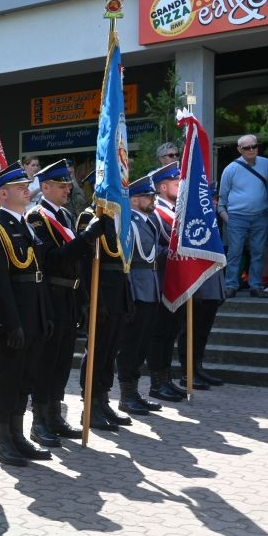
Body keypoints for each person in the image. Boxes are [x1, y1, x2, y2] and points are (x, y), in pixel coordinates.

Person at [0, 164, 53, 467]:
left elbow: (39, 275)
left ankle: (18, 435)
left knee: (26, 378)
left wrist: (45, 314)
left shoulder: (26, 225)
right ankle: (2, 439)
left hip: (33, 315)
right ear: (3, 194)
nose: (26, 190)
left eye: (25, 185)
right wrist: (12, 324)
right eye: (20, 187)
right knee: (8, 379)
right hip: (11, 320)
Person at [26, 160, 101, 446]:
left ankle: (54, 415)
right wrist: (87, 237)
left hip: (69, 296)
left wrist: (82, 300)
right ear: (45, 187)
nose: (67, 190)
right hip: (51, 296)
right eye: (61, 186)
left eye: (68, 185)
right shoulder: (37, 218)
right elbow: (53, 259)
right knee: (46, 361)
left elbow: (77, 263)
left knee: (62, 361)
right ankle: (39, 420)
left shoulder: (66, 216)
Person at [76, 193, 132, 432]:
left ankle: (103, 400)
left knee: (110, 351)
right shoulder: (90, 217)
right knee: (97, 351)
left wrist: (127, 298)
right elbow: (84, 264)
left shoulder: (119, 217)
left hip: (118, 292)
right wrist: (92, 299)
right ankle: (90, 405)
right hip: (101, 295)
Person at [115, 173, 167, 416]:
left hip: (150, 286)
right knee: (131, 344)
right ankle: (126, 395)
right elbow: (132, 256)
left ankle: (134, 392)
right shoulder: (131, 223)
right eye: (148, 196)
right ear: (134, 200)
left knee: (143, 343)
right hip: (137, 287)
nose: (152, 199)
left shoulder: (148, 221)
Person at [143, 160, 193, 399]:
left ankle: (166, 378)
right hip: (162, 281)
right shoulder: (156, 214)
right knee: (160, 334)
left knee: (171, 332)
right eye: (176, 183)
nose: (180, 187)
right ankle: (156, 382)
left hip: (178, 280)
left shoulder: (176, 212)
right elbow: (154, 247)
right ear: (162, 187)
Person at [218, 134, 268, 297]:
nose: (251, 150)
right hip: (237, 217)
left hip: (260, 215)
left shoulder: (266, 164)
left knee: (258, 252)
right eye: (247, 147)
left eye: (254, 146)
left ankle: (255, 286)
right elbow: (222, 198)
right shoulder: (230, 169)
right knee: (235, 252)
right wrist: (228, 219)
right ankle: (230, 286)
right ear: (239, 150)